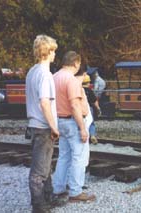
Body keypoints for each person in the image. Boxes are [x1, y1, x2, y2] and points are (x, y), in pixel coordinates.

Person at [25, 34, 65, 213]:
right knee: (39, 171)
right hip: (43, 126)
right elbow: (44, 102)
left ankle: (48, 197)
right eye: (53, 51)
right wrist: (54, 127)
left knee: (46, 166)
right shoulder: (45, 74)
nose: (55, 54)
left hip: (34, 125)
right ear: (47, 52)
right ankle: (39, 206)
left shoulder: (32, 71)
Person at [52, 51, 96, 203]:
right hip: (73, 122)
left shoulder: (54, 77)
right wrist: (83, 128)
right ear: (76, 63)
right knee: (78, 157)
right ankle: (76, 192)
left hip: (60, 121)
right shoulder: (70, 80)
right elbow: (75, 105)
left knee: (64, 155)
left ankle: (58, 188)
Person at [81, 72, 100, 144]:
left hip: (80, 108)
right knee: (91, 123)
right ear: (88, 82)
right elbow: (95, 101)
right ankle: (92, 135)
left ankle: (83, 135)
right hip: (89, 108)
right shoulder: (90, 91)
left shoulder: (78, 89)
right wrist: (98, 108)